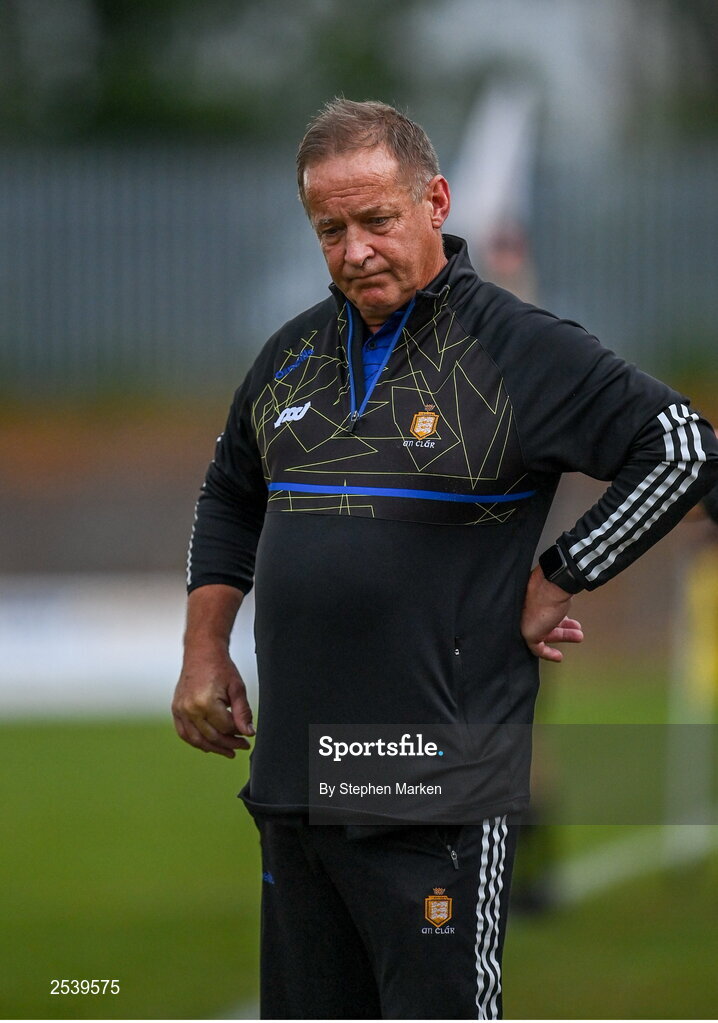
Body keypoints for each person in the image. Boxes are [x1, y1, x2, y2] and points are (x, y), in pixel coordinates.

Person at [172, 99, 718, 1020]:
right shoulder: (289, 357)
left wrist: (562, 573)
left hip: (438, 796)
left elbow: (683, 447)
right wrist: (204, 646)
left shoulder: (521, 349)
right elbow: (231, 492)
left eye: (377, 221)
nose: (355, 251)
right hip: (297, 789)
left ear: (435, 201)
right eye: (330, 230)